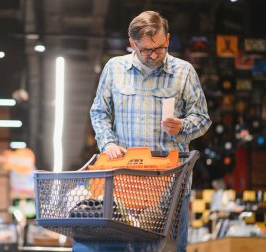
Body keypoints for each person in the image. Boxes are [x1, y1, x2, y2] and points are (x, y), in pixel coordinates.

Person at [74, 11, 212, 252]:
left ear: (167, 39)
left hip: (170, 187)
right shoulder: (114, 69)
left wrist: (183, 126)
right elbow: (99, 112)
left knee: (166, 249)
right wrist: (107, 144)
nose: (154, 56)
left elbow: (202, 119)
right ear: (132, 44)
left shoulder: (184, 72)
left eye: (159, 48)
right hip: (124, 184)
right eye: (145, 50)